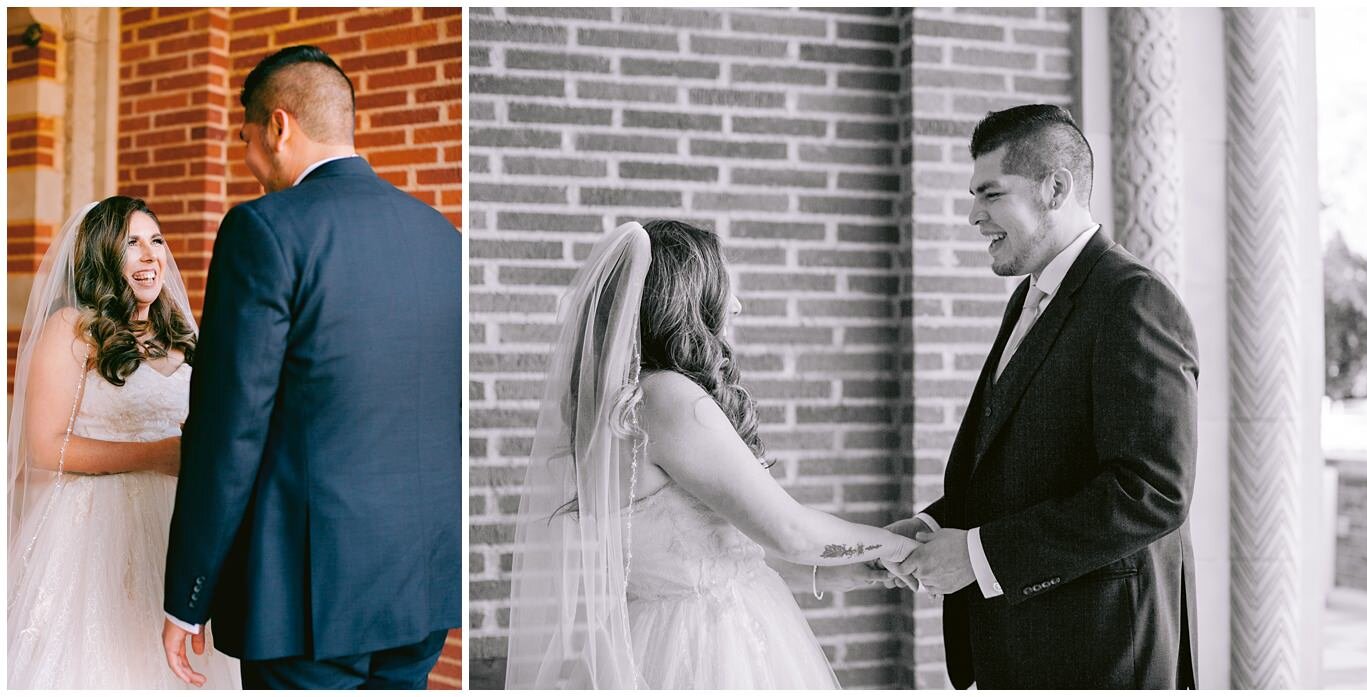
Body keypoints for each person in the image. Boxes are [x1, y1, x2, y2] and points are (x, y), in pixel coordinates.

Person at [159, 45, 460, 689]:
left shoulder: (263, 230)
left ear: (277, 126)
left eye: (244, 139)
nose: (246, 162)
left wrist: (188, 595)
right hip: (422, 591)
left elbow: (228, 430)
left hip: (304, 599)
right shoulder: (443, 238)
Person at [505, 219, 916, 689]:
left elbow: (704, 553)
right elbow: (790, 530)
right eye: (724, 289)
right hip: (708, 648)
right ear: (690, 300)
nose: (736, 304)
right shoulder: (669, 399)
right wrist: (894, 544)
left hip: (653, 636)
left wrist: (835, 570)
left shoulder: (617, 404)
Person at [889, 104, 1200, 688]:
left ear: (1054, 188)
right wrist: (935, 527)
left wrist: (980, 556)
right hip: (1024, 648)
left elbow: (1152, 491)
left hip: (1100, 656)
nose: (973, 216)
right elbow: (1028, 467)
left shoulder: (1133, 300)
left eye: (991, 194)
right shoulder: (1030, 297)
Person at [7, 196, 241, 688]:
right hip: (94, 530)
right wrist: (157, 455)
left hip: (177, 527)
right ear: (102, 255)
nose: (151, 255)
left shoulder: (181, 337)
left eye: (156, 241)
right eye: (131, 243)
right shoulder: (73, 329)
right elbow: (46, 447)